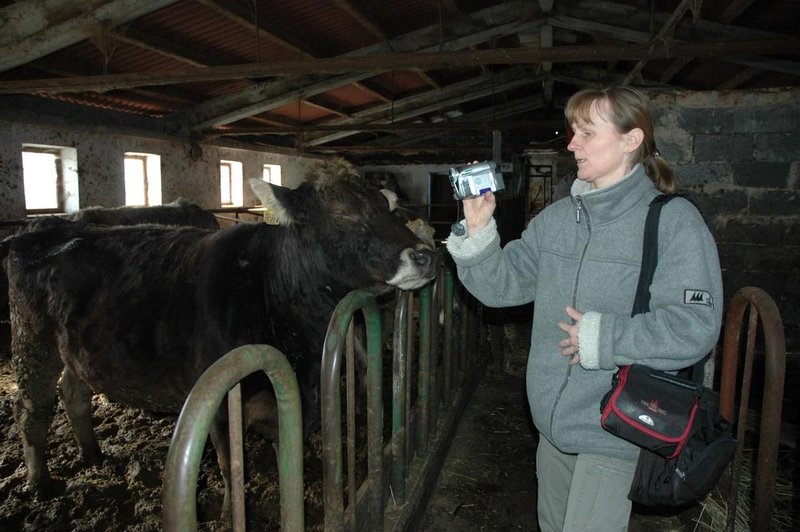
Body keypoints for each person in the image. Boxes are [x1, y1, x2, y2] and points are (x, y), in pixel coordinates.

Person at [446, 86, 723, 531]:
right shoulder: (556, 221)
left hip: (616, 426)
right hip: (552, 429)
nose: (572, 144)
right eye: (573, 132)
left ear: (631, 140)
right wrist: (478, 233)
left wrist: (604, 338)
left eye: (587, 133)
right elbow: (499, 286)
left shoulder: (673, 222)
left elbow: (694, 326)